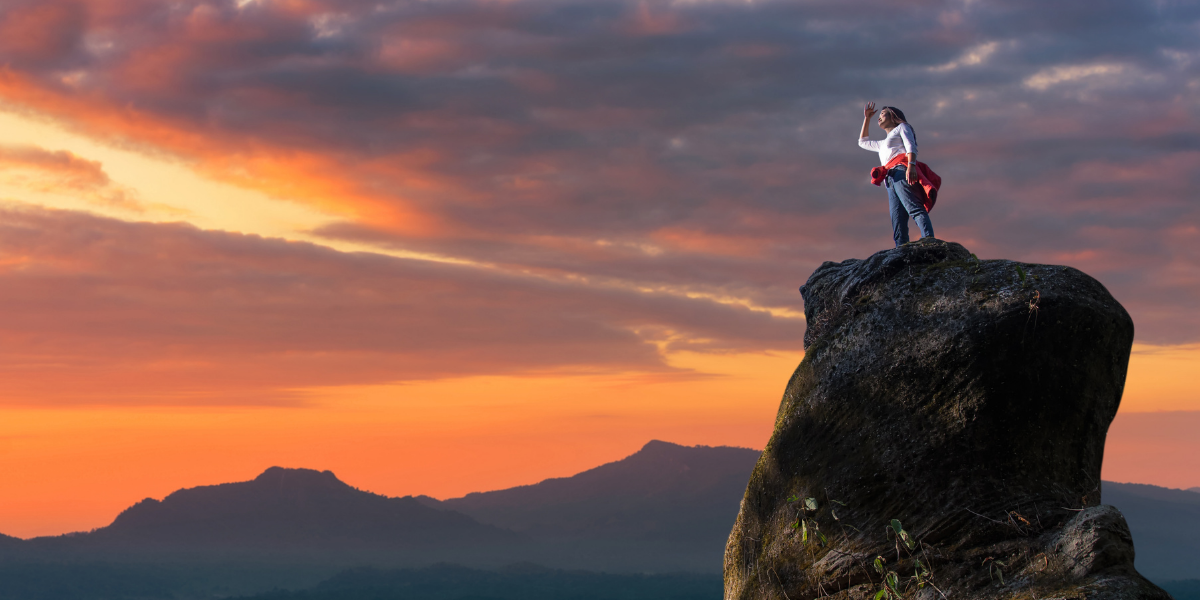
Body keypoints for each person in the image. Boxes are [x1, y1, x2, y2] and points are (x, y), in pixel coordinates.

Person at [858, 102, 937, 247]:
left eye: (883, 113)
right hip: (890, 178)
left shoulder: (902, 127)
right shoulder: (882, 143)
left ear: (893, 116)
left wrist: (911, 166)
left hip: (902, 171)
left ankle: (929, 241)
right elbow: (862, 142)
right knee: (897, 219)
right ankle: (901, 250)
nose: (879, 117)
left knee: (914, 207)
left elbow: (910, 146)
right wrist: (867, 119)